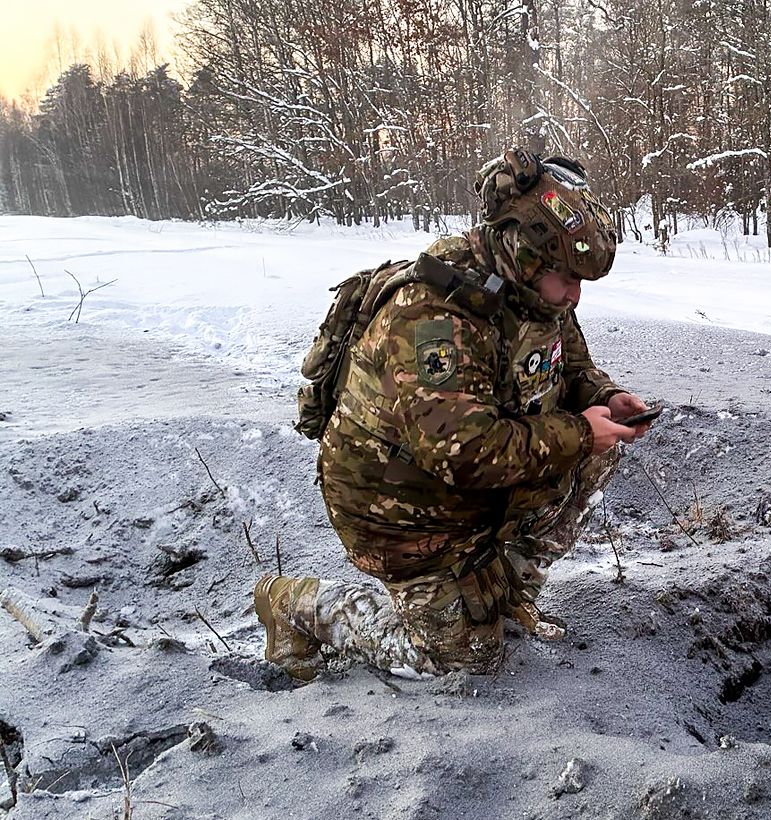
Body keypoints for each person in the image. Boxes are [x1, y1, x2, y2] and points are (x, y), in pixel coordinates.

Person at [254, 148, 654, 680]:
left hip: (467, 497)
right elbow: (461, 452)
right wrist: (579, 431)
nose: (575, 294)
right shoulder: (434, 312)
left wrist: (603, 398)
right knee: (458, 660)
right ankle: (295, 605)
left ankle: (500, 594)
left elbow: (568, 367)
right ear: (523, 253)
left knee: (594, 453)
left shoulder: (539, 297)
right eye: (566, 277)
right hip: (398, 513)